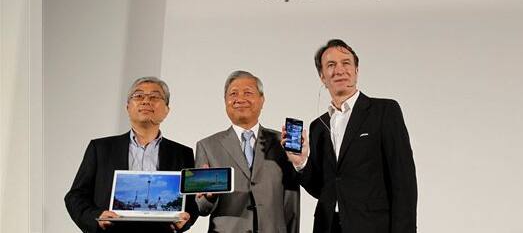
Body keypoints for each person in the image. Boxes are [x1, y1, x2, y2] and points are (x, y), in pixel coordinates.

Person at [283, 39, 417, 233]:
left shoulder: (384, 111)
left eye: (346, 63)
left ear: (356, 70)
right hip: (328, 226)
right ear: (322, 76)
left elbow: (403, 182)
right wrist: (301, 162)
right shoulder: (318, 126)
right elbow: (322, 189)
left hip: (373, 226)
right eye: (331, 65)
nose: (339, 70)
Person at [65, 76, 198, 233]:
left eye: (154, 96)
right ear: (128, 106)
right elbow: (75, 196)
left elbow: (192, 202)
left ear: (167, 110)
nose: (146, 101)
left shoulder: (183, 153)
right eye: (138, 96)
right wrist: (97, 217)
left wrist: (186, 220)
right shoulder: (100, 149)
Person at [195, 70, 300, 233]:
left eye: (248, 92)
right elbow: (201, 207)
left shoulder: (284, 142)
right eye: (233, 93)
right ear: (225, 101)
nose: (240, 99)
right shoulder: (207, 146)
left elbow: (291, 201)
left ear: (262, 99)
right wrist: (209, 197)